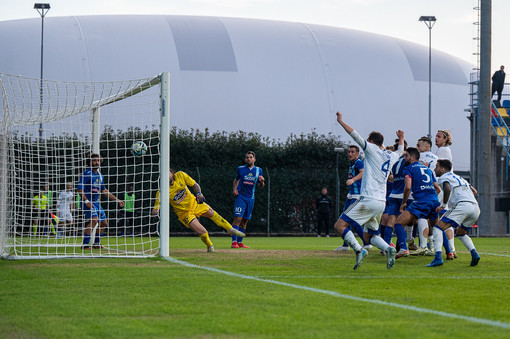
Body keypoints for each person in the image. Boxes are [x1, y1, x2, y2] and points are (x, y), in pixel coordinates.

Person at [334, 111, 404, 270]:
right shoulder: (390, 156)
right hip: (380, 203)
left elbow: (354, 134)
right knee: (369, 235)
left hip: (368, 199)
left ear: (371, 141)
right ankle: (388, 248)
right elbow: (400, 151)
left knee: (339, 226)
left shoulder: (371, 149)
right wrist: (401, 138)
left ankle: (358, 250)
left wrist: (340, 121)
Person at [152, 169, 245, 252]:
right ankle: (210, 246)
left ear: (172, 173)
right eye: (164, 174)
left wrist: (199, 193)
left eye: (167, 172)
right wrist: (156, 213)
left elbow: (195, 185)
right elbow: (155, 209)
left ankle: (230, 229)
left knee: (212, 213)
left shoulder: (180, 175)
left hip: (195, 203)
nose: (166, 175)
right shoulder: (162, 192)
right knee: (203, 232)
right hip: (185, 214)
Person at [427, 159, 481, 267]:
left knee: (437, 228)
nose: (434, 169)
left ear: (442, 169)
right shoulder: (460, 178)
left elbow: (447, 189)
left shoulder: (443, 177)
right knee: (461, 233)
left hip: (462, 206)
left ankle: (438, 258)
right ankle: (474, 254)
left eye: (436, 167)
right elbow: (474, 191)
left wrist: (443, 205)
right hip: (475, 207)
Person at [394, 147, 441, 259]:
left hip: (421, 201)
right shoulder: (427, 169)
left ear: (413, 157)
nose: (404, 158)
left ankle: (404, 249)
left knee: (398, 223)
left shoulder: (409, 168)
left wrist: (403, 203)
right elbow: (438, 188)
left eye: (406, 156)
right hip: (434, 200)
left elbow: (408, 187)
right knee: (438, 227)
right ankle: (448, 251)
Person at [77, 153, 124, 249]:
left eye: (98, 160)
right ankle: (85, 244)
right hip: (88, 202)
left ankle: (96, 243)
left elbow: (104, 191)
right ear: (89, 162)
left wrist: (117, 200)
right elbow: (79, 189)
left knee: (104, 223)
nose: (96, 162)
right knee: (94, 220)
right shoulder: (86, 174)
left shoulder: (100, 175)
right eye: (94, 160)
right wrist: (86, 202)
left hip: (96, 203)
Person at [231, 151, 265, 249]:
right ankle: (234, 242)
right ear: (245, 159)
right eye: (247, 157)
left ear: (254, 159)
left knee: (245, 221)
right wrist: (234, 189)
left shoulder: (259, 170)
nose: (249, 159)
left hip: (251, 198)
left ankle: (240, 242)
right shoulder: (240, 169)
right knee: (238, 218)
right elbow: (236, 180)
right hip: (240, 197)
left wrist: (262, 181)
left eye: (251, 157)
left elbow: (261, 186)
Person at [334, 145, 365, 251]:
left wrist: (353, 180)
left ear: (357, 154)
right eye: (349, 152)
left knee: (352, 221)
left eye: (352, 152)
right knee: (344, 220)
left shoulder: (359, 162)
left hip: (356, 196)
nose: (350, 154)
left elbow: (362, 172)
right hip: (351, 195)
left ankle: (366, 243)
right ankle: (346, 245)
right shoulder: (352, 163)